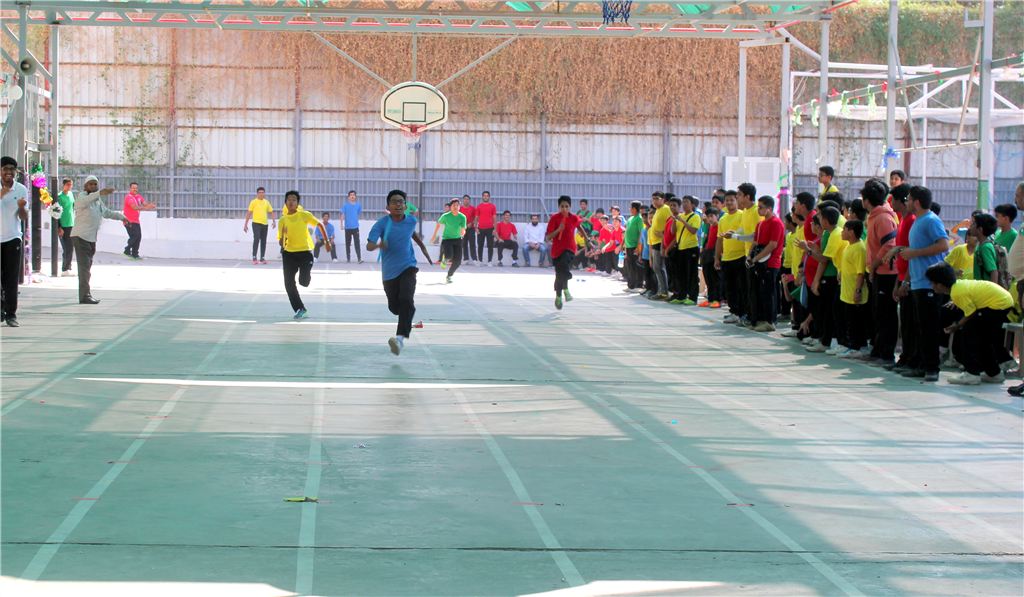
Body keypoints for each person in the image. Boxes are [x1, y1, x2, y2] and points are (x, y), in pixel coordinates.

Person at [884, 186, 948, 382]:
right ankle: (921, 365)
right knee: (920, 328)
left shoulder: (930, 220)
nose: (907, 202)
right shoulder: (917, 222)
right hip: (918, 282)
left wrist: (914, 253)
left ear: (917, 203)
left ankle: (932, 368)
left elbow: (943, 245)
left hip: (930, 284)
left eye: (909, 199)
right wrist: (906, 279)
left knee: (929, 328)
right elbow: (914, 253)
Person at [367, 189, 433, 355]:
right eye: (394, 202)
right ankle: (404, 318)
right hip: (389, 272)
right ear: (388, 206)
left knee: (407, 299)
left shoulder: (411, 220)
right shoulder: (382, 224)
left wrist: (423, 247)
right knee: (396, 308)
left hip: (408, 266)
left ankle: (400, 339)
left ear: (405, 205)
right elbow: (369, 245)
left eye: (401, 202)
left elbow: (411, 232)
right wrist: (379, 245)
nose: (398, 204)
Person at [926, 262, 1013, 385]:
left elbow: (971, 314)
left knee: (969, 335)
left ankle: (972, 374)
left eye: (931, 283)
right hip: (1002, 301)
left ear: (939, 285)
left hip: (997, 304)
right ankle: (994, 374)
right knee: (983, 340)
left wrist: (957, 325)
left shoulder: (957, 292)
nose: (931, 286)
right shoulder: (958, 286)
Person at [70, 176, 130, 306]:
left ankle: (86, 294)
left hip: (91, 238)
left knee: (87, 267)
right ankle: (85, 296)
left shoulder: (97, 200)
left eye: (95, 184)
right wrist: (100, 193)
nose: (93, 186)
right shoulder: (82, 197)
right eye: (90, 184)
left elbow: (106, 212)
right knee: (84, 268)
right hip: (81, 236)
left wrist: (122, 217)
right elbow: (86, 200)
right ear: (85, 186)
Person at [862, 178, 899, 366]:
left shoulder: (883, 217)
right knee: (877, 313)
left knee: (886, 315)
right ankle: (877, 350)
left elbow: (889, 245)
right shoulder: (874, 216)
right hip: (878, 271)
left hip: (886, 272)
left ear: (867, 200)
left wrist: (874, 264)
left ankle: (887, 355)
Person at [278, 191, 327, 319]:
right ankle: (300, 309)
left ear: (297, 203)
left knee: (303, 282)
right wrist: (283, 234)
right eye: (289, 200)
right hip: (289, 254)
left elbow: (320, 224)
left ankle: (306, 275)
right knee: (289, 283)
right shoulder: (283, 220)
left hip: (304, 253)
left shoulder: (304, 215)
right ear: (285, 203)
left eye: (294, 200)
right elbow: (281, 243)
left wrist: (327, 242)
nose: (291, 202)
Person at [547, 195, 591, 310]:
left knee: (564, 263)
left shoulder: (574, 218)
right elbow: (549, 236)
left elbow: (580, 227)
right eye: (562, 206)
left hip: (569, 248)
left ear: (570, 207)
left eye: (566, 206)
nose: (564, 209)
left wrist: (588, 240)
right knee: (560, 273)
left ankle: (566, 289)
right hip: (557, 250)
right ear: (559, 207)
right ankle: (559, 295)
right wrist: (558, 230)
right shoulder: (554, 218)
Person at [0, 156, 28, 326]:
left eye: (12, 169)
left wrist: (21, 207)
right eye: (5, 169)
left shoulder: (21, 189)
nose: (9, 172)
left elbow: (23, 217)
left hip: (12, 238)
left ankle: (11, 314)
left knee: (11, 279)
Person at [837, 219, 870, 357]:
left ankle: (856, 347)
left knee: (855, 322)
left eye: (844, 230)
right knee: (851, 320)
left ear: (851, 232)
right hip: (847, 292)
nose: (842, 232)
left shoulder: (859, 249)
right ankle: (859, 347)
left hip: (853, 292)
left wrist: (858, 290)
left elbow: (860, 272)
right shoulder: (849, 246)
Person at [716, 191, 745, 323]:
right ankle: (734, 312)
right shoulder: (722, 219)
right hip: (726, 258)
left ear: (737, 201)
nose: (729, 202)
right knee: (730, 287)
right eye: (727, 200)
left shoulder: (742, 215)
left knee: (741, 286)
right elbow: (720, 239)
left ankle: (743, 313)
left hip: (740, 255)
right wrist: (717, 258)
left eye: (732, 200)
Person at [430, 198, 467, 283]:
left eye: (457, 205)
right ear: (451, 207)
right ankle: (445, 258)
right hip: (447, 239)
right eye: (454, 205)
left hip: (458, 239)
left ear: (459, 207)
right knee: (449, 256)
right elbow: (438, 224)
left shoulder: (462, 217)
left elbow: (463, 228)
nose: (456, 207)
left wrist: (463, 232)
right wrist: (434, 235)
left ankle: (449, 275)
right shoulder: (445, 216)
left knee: (457, 262)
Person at [122, 182, 155, 260]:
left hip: (136, 220)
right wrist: (146, 208)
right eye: (133, 188)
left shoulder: (139, 197)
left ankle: (135, 254)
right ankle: (127, 250)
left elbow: (145, 204)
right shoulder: (129, 197)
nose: (135, 189)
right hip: (128, 221)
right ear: (130, 189)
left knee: (138, 237)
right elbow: (134, 207)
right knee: (135, 236)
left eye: (136, 188)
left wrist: (150, 205)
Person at [647, 191, 671, 301]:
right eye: (653, 199)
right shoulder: (657, 210)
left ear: (663, 200)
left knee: (659, 267)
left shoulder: (666, 209)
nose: (655, 201)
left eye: (657, 198)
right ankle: (660, 290)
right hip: (655, 242)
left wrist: (664, 233)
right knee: (656, 267)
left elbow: (673, 223)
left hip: (661, 242)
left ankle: (664, 292)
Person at [243, 186, 275, 264]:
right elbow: (249, 213)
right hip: (256, 223)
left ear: (264, 193)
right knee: (256, 238)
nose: (261, 194)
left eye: (263, 192)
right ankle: (254, 256)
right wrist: (246, 224)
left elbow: (271, 212)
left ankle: (262, 257)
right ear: (257, 194)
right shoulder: (253, 202)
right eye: (260, 193)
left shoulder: (266, 202)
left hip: (264, 224)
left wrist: (274, 221)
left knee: (263, 241)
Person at [699, 207, 722, 308]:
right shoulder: (710, 227)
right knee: (708, 278)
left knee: (716, 278)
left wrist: (717, 255)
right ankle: (710, 299)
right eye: (708, 217)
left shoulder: (719, 226)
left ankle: (718, 299)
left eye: (712, 216)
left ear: (717, 216)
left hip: (715, 254)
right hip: (707, 254)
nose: (710, 219)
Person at [969, 212, 1001, 284]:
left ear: (980, 229)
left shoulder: (985, 247)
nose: (970, 225)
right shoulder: (981, 245)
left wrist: (993, 289)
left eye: (973, 224)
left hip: (985, 288)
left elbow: (993, 271)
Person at [55, 177, 76, 276]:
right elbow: (57, 213)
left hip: (71, 223)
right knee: (67, 247)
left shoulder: (71, 194)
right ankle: (65, 268)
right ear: (63, 185)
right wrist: (59, 227)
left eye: (71, 185)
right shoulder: (60, 197)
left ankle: (68, 267)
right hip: (64, 225)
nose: (69, 187)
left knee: (71, 246)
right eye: (68, 185)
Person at [621, 201, 643, 289]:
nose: (629, 209)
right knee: (629, 266)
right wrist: (623, 244)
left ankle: (638, 285)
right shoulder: (630, 218)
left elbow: (641, 232)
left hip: (635, 246)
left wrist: (639, 246)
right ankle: (631, 285)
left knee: (636, 266)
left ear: (634, 208)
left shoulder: (639, 218)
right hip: (629, 246)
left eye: (630, 207)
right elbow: (627, 232)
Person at [474, 191, 498, 266]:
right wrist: (476, 227)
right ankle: (480, 261)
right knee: (480, 245)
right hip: (481, 228)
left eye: (487, 196)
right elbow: (476, 217)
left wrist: (495, 229)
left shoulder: (492, 206)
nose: (486, 197)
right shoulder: (479, 206)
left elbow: (494, 218)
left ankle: (489, 261)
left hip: (490, 228)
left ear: (489, 197)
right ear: (482, 197)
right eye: (484, 196)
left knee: (490, 245)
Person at [340, 190, 363, 263]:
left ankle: (359, 258)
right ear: (349, 197)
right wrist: (341, 224)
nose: (352, 196)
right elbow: (342, 214)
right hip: (347, 227)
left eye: (353, 195)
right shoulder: (346, 205)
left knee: (357, 243)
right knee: (348, 243)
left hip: (355, 227)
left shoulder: (358, 205)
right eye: (351, 195)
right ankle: (348, 258)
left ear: (355, 196)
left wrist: (356, 222)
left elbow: (358, 215)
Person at [460, 194, 478, 265]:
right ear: (463, 201)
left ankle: (474, 259)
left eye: (467, 199)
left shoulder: (473, 208)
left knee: (472, 244)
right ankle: (465, 259)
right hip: (463, 229)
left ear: (469, 200)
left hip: (471, 228)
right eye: (465, 199)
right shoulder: (460, 209)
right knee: (464, 244)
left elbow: (476, 218)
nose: (466, 200)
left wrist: (471, 223)